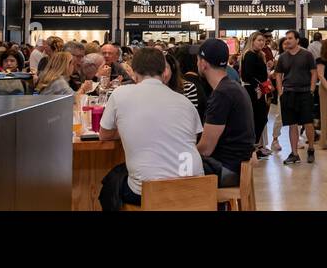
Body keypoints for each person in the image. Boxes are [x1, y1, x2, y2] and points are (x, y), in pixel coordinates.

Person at [98, 47, 203, 208]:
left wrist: (126, 128)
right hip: (194, 185)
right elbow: (191, 138)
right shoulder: (184, 101)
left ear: (134, 71)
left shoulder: (120, 94)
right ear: (164, 71)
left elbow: (104, 135)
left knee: (111, 182)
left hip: (148, 190)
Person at [195, 38, 256, 187]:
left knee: (171, 172)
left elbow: (206, 149)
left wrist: (184, 152)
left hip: (226, 169)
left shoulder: (222, 94)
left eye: (198, 60)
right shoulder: (234, 87)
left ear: (203, 64)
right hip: (237, 165)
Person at [274, 29, 318, 165]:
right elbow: (278, 75)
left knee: (308, 122)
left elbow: (314, 73)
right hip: (289, 93)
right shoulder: (283, 57)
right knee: (292, 124)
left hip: (305, 92)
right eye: (286, 38)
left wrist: (311, 89)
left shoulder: (307, 55)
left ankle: (311, 149)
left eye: (290, 38)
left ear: (297, 40)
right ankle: (294, 153)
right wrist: (280, 92)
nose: (287, 40)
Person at [240, 32, 273, 158]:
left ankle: (255, 146)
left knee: (260, 118)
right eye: (259, 40)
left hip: (258, 89)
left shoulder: (258, 55)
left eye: (263, 41)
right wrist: (258, 87)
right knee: (258, 118)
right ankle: (252, 147)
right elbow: (247, 75)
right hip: (253, 90)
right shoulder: (249, 55)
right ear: (252, 41)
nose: (261, 42)